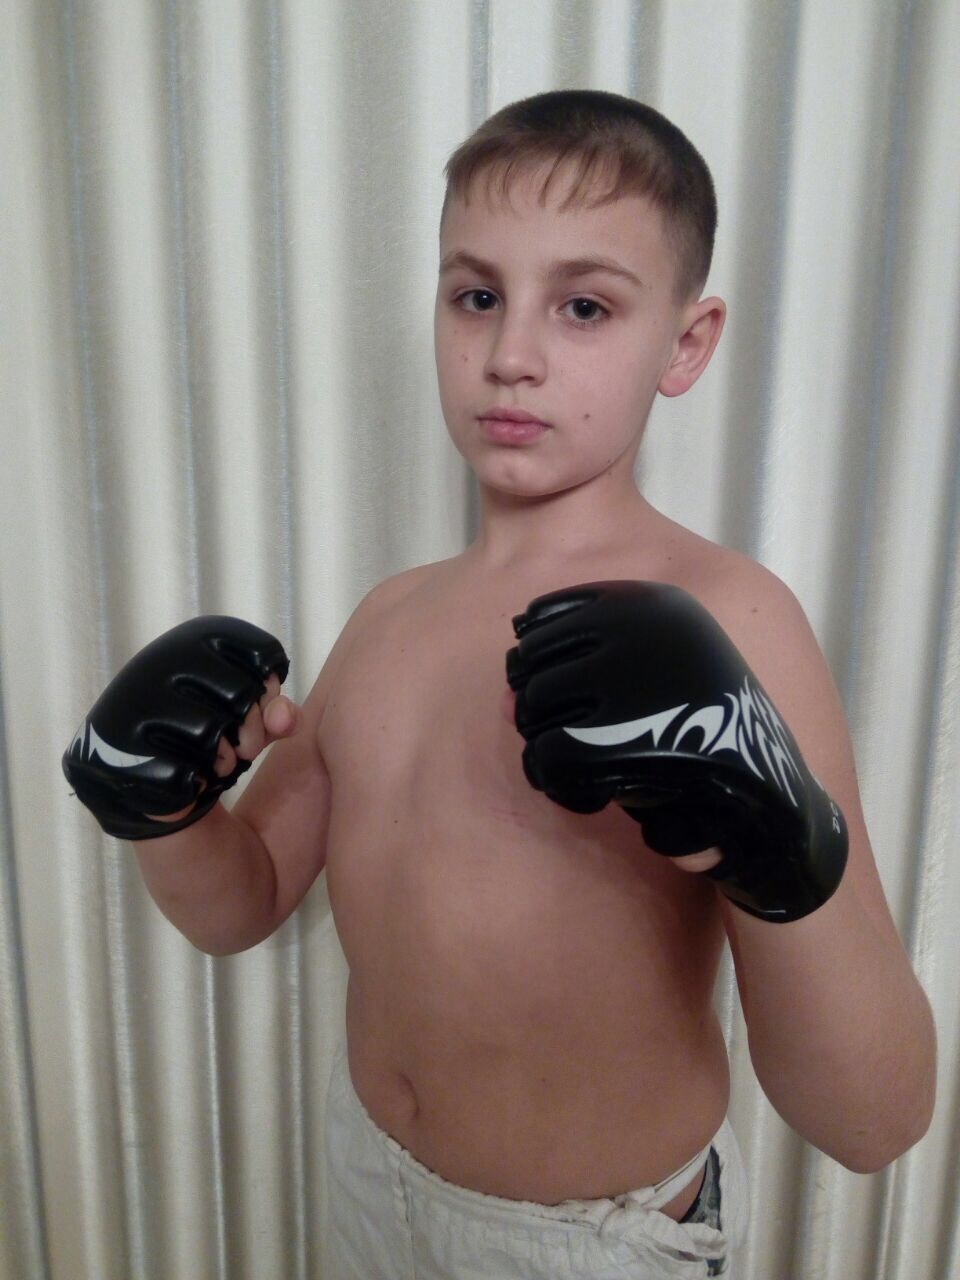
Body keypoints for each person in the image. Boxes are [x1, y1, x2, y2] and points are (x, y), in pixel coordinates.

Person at [63, 90, 936, 1278]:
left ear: (686, 343)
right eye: (476, 295)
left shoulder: (733, 619)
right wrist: (158, 807)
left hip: (591, 1241)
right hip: (366, 1178)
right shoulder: (389, 618)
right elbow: (244, 900)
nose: (511, 354)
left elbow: (876, 1119)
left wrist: (783, 845)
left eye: (584, 306)